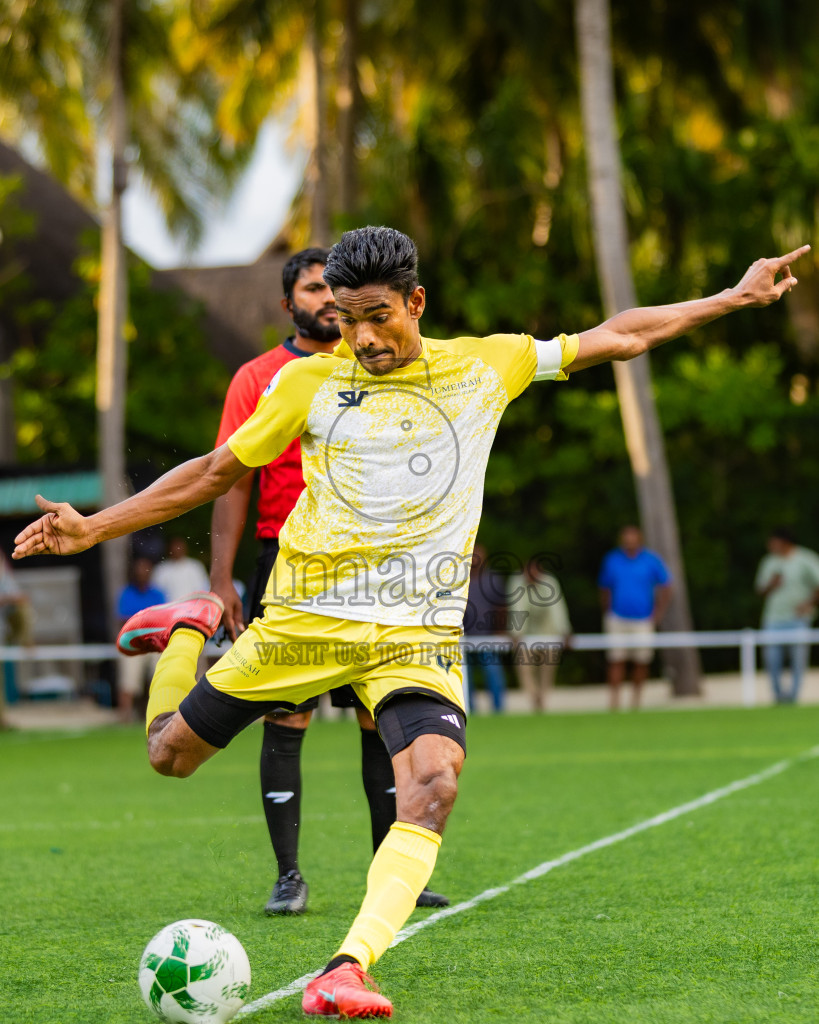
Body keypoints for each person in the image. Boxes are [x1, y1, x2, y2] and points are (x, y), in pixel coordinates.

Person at [12, 230, 809, 1018]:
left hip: (412, 637)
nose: (360, 335)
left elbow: (618, 335)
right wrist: (95, 527)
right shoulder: (306, 384)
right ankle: (186, 629)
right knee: (167, 757)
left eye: (377, 315)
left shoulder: (481, 365)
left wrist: (731, 298)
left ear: (415, 302)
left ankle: (346, 966)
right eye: (345, 317)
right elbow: (217, 470)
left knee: (432, 784)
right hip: (301, 623)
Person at [210, 247, 447, 914]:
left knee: (381, 717)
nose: (323, 301)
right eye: (311, 290)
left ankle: (393, 872)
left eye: (330, 291)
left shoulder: (375, 365)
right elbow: (226, 478)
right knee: (286, 718)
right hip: (284, 567)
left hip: (372, 566)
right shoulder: (259, 377)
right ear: (290, 304)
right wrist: (219, 579)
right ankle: (289, 877)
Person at [598, 525, 672, 711]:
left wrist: (658, 613)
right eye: (626, 539)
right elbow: (604, 588)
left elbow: (666, 585)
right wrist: (607, 612)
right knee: (616, 660)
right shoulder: (612, 560)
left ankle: (635, 703)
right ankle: (614, 703)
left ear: (639, 540)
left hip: (643, 619)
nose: (629, 542)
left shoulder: (650, 560)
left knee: (641, 660)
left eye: (632, 539)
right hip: (617, 618)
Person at [754, 527, 819, 704]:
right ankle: (778, 697)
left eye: (773, 541)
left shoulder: (805, 559)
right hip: (773, 619)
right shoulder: (768, 561)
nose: (770, 545)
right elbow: (759, 590)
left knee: (798, 662)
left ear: (784, 542)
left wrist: (808, 604)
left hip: (798, 619)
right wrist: (771, 584)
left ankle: (793, 698)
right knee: (771, 661)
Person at [507, 558, 572, 712]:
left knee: (549, 661)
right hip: (526, 633)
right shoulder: (516, 583)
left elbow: (557, 608)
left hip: (548, 630)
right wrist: (516, 634)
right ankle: (534, 695)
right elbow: (517, 608)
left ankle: (543, 695)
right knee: (522, 661)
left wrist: (564, 631)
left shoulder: (549, 582)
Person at [116, 557, 166, 722]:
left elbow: (163, 620)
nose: (142, 573)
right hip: (134, 644)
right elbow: (124, 620)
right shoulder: (127, 593)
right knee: (129, 682)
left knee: (159, 680)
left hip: (154, 644)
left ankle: (158, 716)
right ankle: (126, 718)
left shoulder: (158, 594)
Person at [463, 544, 508, 712]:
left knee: (493, 673)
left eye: (478, 555)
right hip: (464, 638)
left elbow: (502, 607)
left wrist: (500, 630)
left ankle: (498, 710)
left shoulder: (493, 580)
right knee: (465, 678)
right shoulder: (460, 580)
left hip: (488, 637)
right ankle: (469, 709)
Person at [151, 537, 209, 603]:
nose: (177, 549)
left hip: (193, 608)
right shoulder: (161, 569)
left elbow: (204, 589)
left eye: (179, 546)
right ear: (169, 549)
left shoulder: (195, 566)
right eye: (175, 546)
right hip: (169, 609)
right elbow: (156, 592)